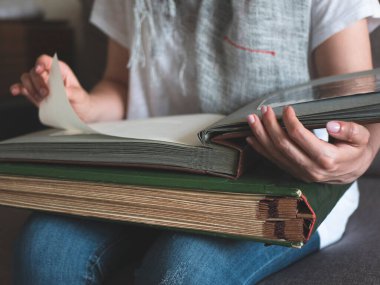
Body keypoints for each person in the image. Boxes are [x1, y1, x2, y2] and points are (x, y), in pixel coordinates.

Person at [9, 0, 380, 284]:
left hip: (281, 183)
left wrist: (361, 154)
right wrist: (85, 105)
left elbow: (357, 106)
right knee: (41, 250)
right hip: (156, 174)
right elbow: (120, 86)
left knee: (184, 270)